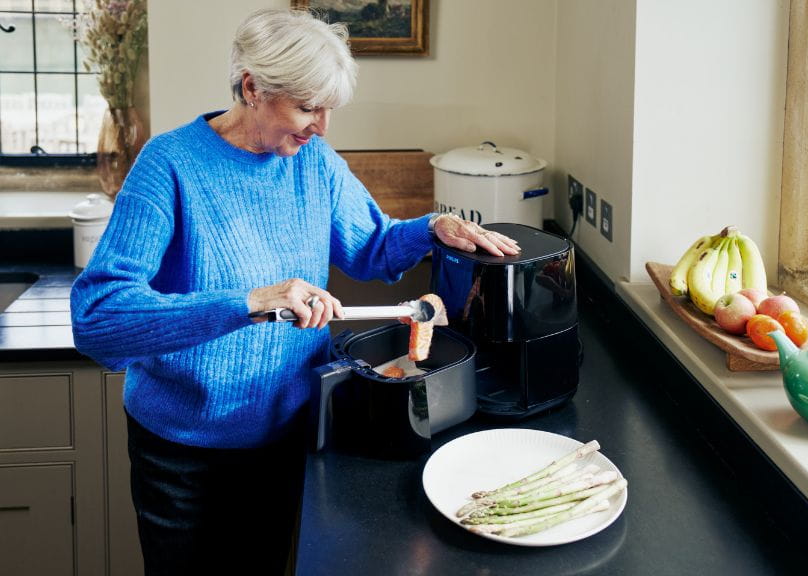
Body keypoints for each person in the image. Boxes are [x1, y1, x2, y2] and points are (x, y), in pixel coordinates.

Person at [71, 8, 520, 576]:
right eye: (307, 107)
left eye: (329, 109)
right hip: (184, 454)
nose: (321, 127)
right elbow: (98, 319)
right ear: (252, 87)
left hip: (289, 435)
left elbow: (374, 247)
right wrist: (251, 303)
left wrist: (433, 227)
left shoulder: (314, 161)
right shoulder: (169, 165)